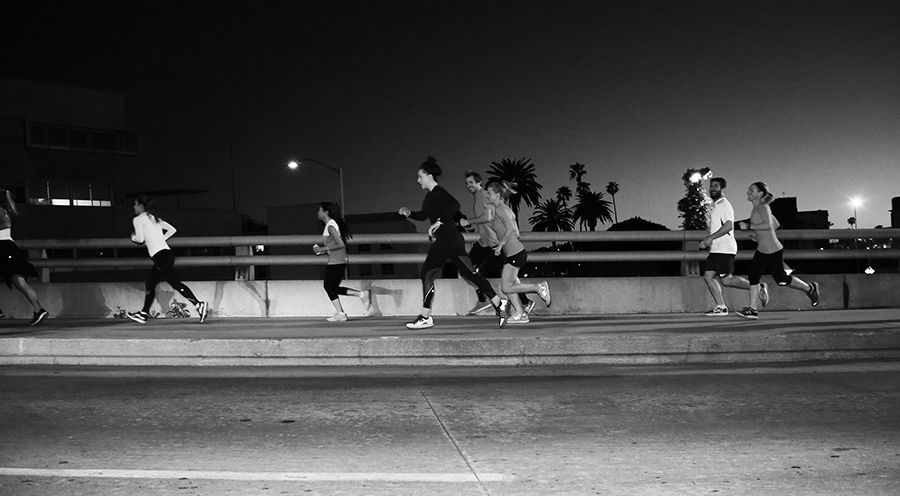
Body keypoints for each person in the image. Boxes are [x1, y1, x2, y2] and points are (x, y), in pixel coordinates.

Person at [399, 157, 509, 329]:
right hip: (453, 240)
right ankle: (498, 302)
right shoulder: (429, 198)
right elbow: (423, 215)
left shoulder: (439, 192)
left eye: (420, 176)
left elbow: (454, 205)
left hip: (446, 239)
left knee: (427, 274)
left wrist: (440, 221)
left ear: (428, 176)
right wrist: (409, 213)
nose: (418, 180)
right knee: (471, 274)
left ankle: (425, 316)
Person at [737, 182, 820, 319]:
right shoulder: (759, 208)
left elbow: (769, 225)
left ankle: (810, 288)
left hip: (773, 250)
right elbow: (775, 224)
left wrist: (749, 225)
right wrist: (757, 236)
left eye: (752, 190)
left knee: (781, 279)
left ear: (760, 193)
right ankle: (752, 309)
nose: (748, 192)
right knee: (753, 276)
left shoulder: (763, 207)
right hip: (762, 249)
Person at [459, 170, 533, 316]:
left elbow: (487, 217)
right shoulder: (479, 197)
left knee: (506, 275)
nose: (469, 186)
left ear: (479, 182)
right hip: (483, 243)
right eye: (467, 184)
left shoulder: (483, 195)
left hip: (492, 244)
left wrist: (469, 221)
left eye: (471, 183)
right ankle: (485, 300)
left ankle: (523, 302)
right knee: (465, 269)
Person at [126, 195, 208, 324]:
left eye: (135, 204)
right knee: (151, 284)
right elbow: (172, 230)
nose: (133, 207)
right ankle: (143, 314)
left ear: (141, 206)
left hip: (160, 257)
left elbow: (140, 239)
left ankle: (199, 305)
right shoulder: (154, 218)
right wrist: (161, 240)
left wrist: (133, 237)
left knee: (174, 283)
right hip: (167, 254)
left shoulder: (138, 219)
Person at [699, 177, 769, 316]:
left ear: (722, 189)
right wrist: (709, 241)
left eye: (716, 186)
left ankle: (758, 287)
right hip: (717, 249)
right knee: (711, 277)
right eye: (711, 186)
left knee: (726, 279)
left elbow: (728, 226)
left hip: (725, 249)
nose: (712, 188)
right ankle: (721, 307)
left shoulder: (724, 204)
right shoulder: (716, 205)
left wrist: (710, 238)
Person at [484, 179, 550, 324]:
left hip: (515, 253)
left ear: (497, 194)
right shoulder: (502, 210)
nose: (487, 196)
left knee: (506, 287)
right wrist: (497, 240)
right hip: (513, 253)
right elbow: (516, 233)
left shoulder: (501, 209)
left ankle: (539, 287)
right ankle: (520, 314)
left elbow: (511, 230)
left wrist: (501, 245)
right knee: (510, 285)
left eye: (489, 193)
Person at [313, 202, 373, 322]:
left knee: (328, 286)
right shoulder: (330, 225)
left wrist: (322, 249)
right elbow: (334, 244)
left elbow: (340, 244)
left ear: (326, 212)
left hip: (338, 261)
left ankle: (342, 312)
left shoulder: (330, 226)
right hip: (337, 260)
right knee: (332, 287)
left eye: (319, 210)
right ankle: (361, 295)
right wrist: (322, 251)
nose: (317, 213)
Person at [0, 188, 49, 325]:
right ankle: (39, 310)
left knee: (20, 283)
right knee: (20, 283)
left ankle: (39, 310)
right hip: (8, 248)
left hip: (3, 248)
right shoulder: (5, 210)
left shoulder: (0, 211)